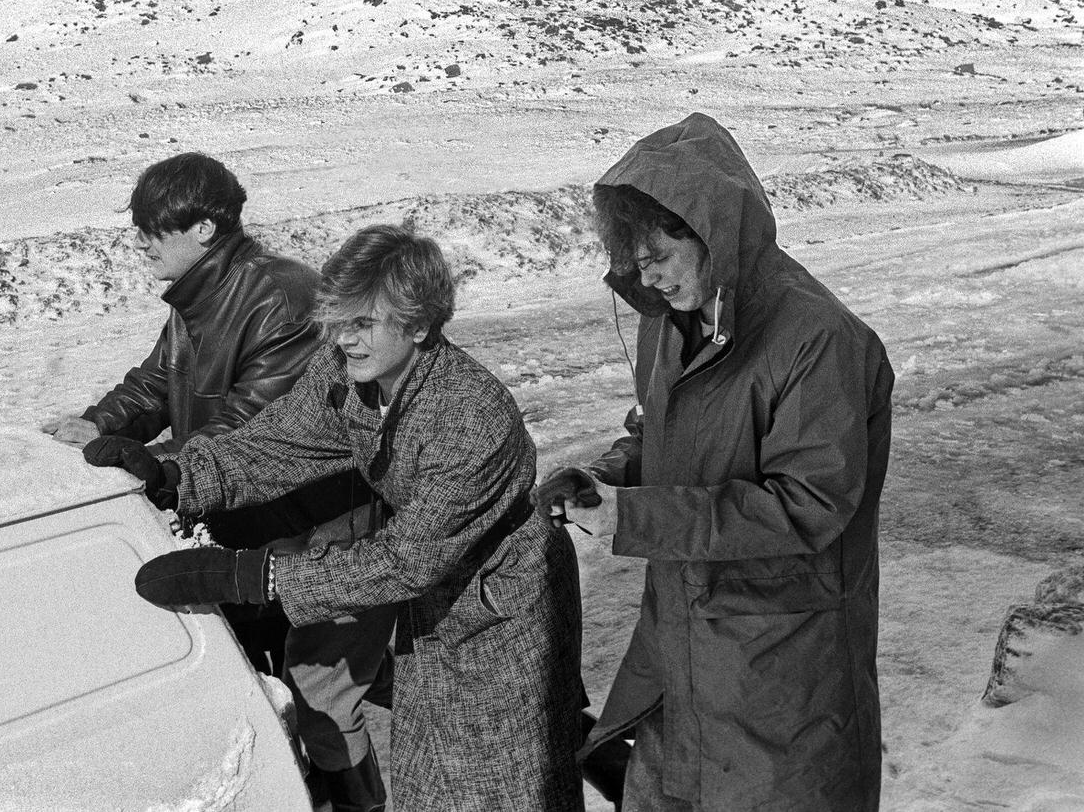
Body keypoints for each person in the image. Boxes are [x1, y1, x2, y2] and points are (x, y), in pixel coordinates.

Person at [130, 225, 585, 812]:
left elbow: (407, 560)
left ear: (418, 324)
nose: (345, 338)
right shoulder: (348, 375)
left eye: (363, 323)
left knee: (506, 781)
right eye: (338, 320)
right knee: (434, 774)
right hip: (435, 598)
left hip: (503, 609)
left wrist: (259, 577)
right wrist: (174, 475)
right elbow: (274, 446)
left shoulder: (471, 414)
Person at [539, 113, 894, 811]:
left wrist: (634, 516)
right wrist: (607, 479)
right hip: (679, 661)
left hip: (781, 680)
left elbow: (806, 506)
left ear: (713, 234)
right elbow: (662, 438)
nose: (646, 276)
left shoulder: (819, 340)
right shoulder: (670, 322)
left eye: (658, 255)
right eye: (633, 258)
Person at [50, 152, 393, 811]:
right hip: (247, 522)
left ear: (204, 228)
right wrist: (95, 428)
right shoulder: (199, 294)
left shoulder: (281, 300)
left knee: (321, 696)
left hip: (317, 534)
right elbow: (156, 382)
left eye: (154, 229)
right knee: (276, 683)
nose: (142, 243)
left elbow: (251, 431)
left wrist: (157, 468)